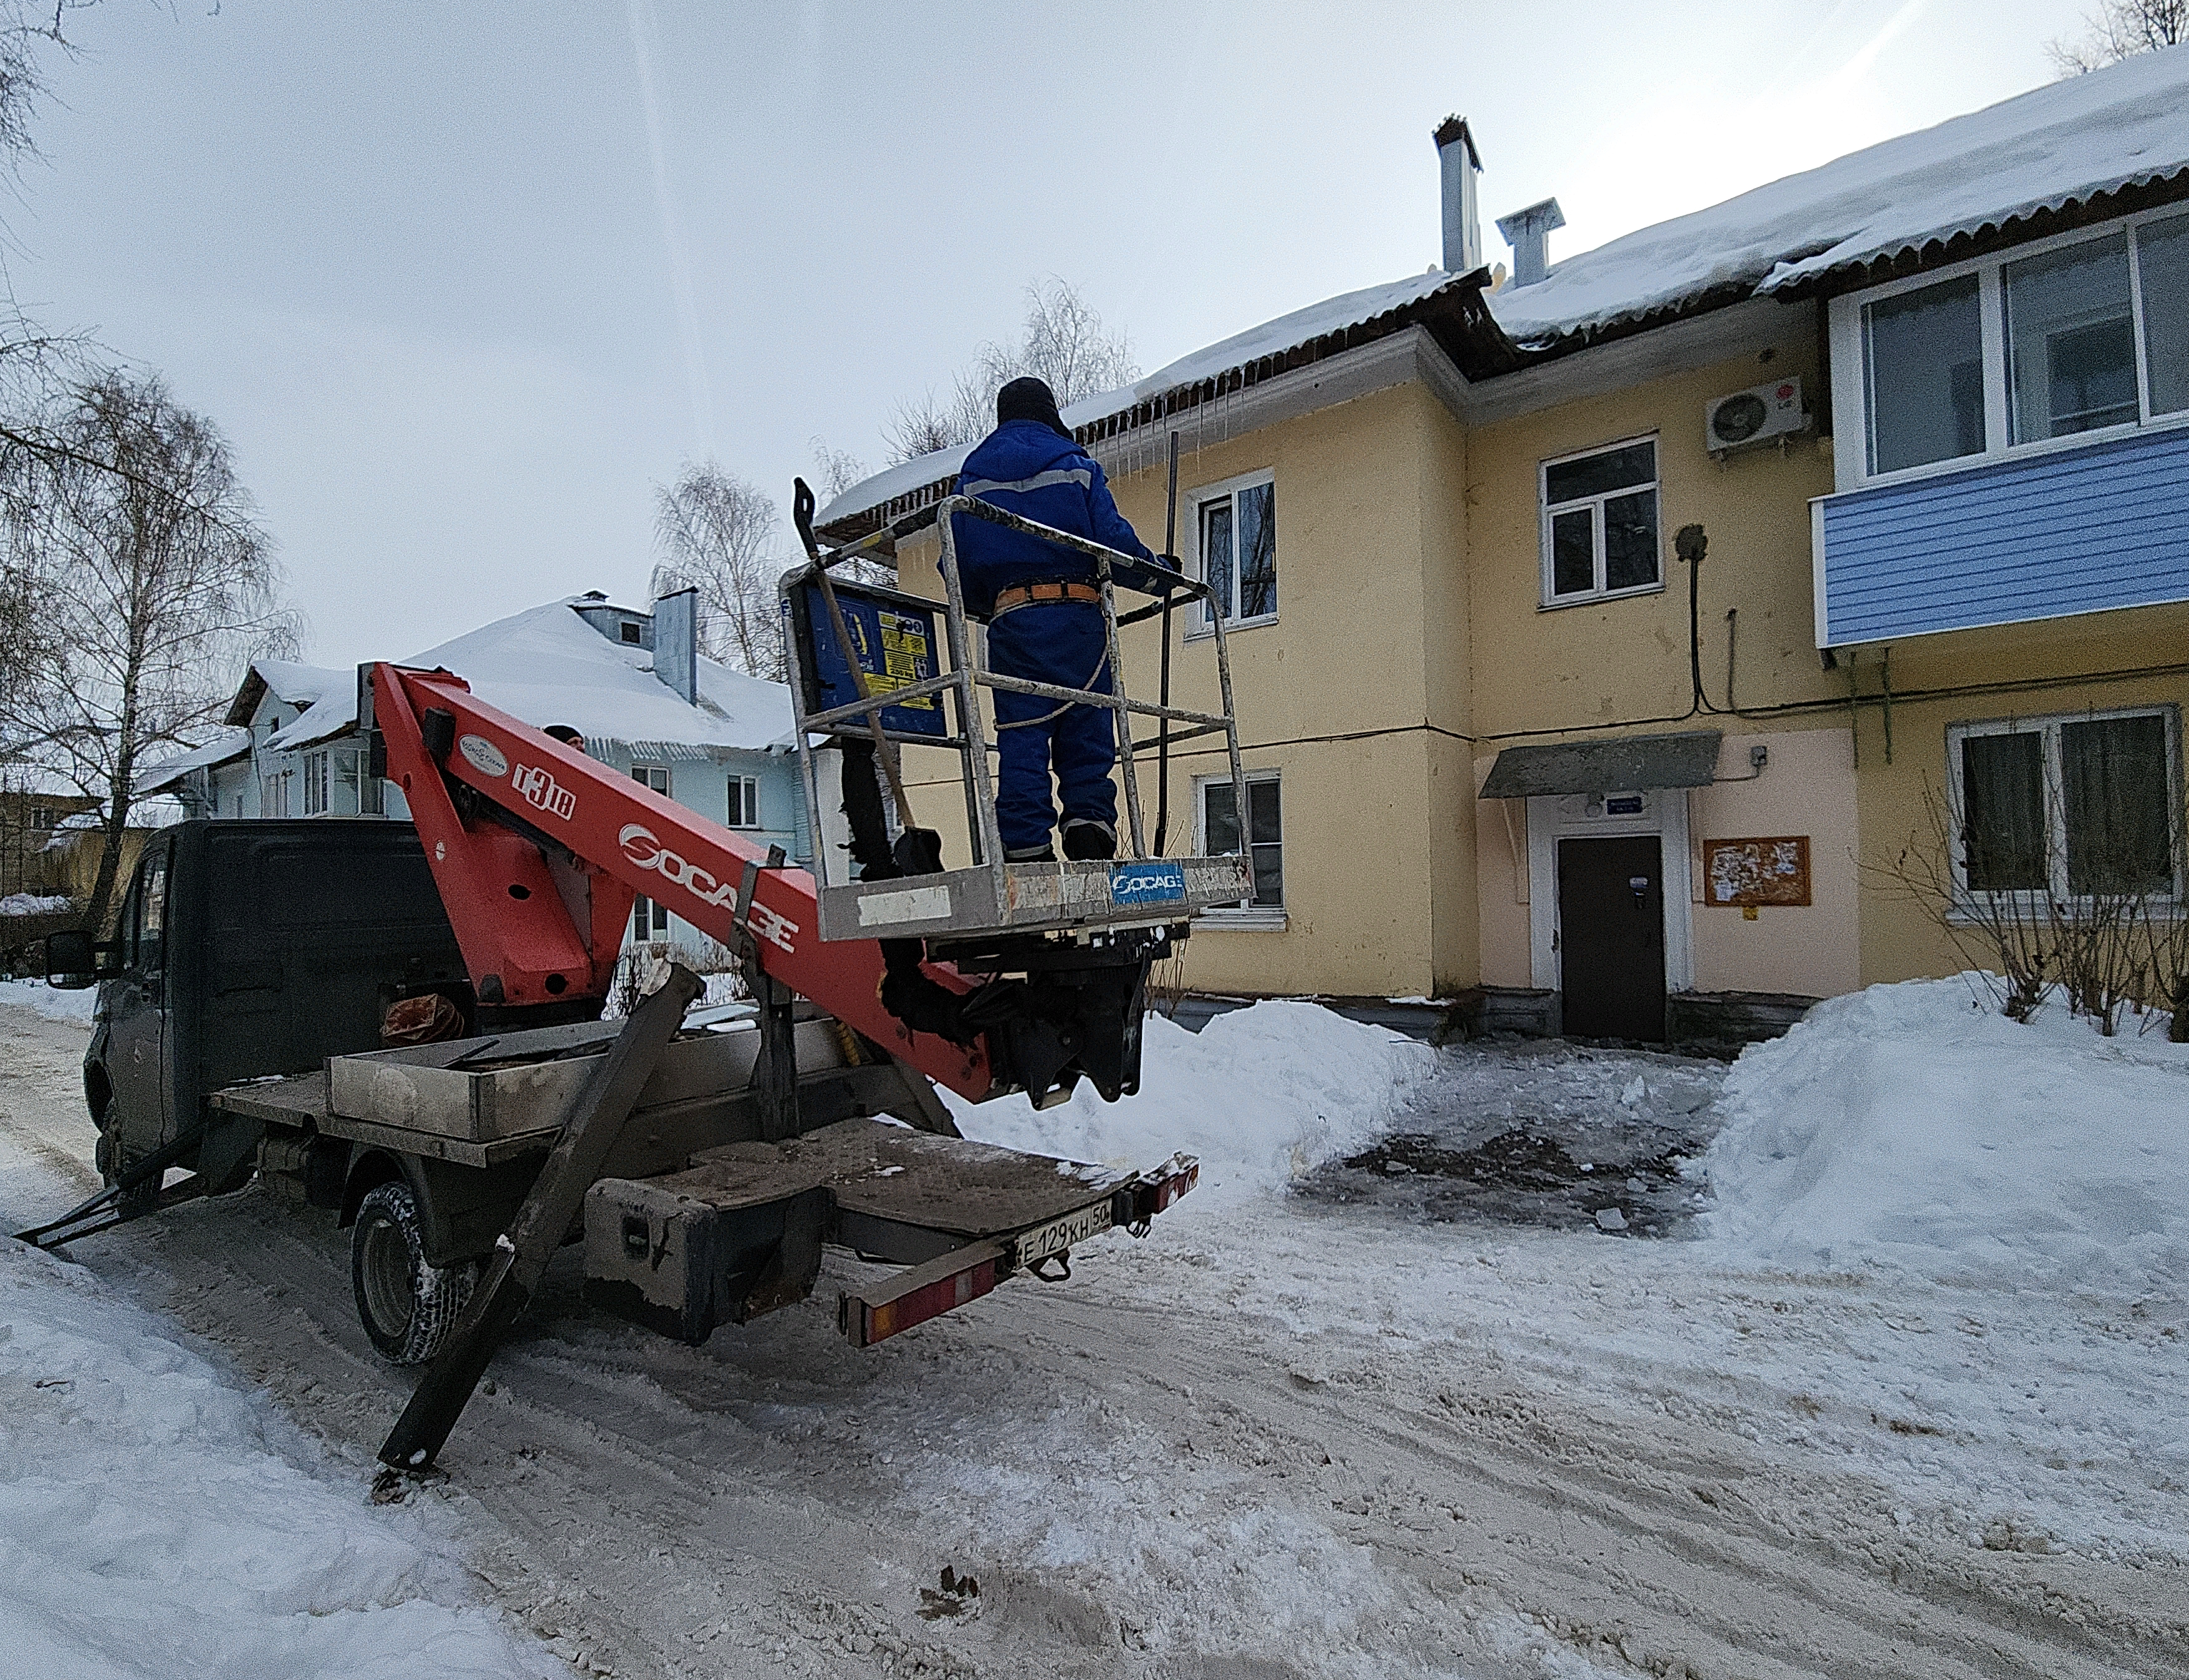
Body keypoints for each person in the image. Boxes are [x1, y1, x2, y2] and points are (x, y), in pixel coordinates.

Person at [952, 376, 1170, 862]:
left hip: (1012, 622)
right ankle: (1089, 829)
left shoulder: (971, 479)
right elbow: (1114, 542)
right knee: (1086, 725)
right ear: (1049, 411)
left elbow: (956, 567)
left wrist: (995, 600)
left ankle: (1026, 845)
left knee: (1023, 733)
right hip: (1077, 617)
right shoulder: (1075, 466)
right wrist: (1160, 576)